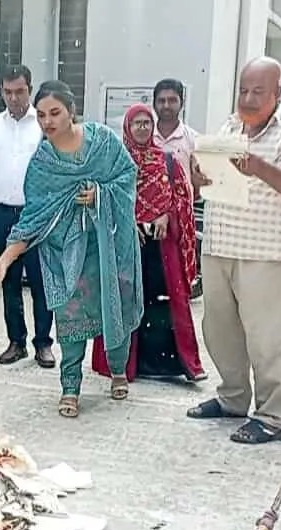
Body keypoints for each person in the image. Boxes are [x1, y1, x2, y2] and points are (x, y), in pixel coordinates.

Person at [0, 80, 142, 418]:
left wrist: (100, 194)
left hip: (107, 247)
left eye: (55, 113)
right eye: (41, 115)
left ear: (72, 111)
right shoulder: (44, 162)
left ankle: (117, 369)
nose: (47, 122)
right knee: (70, 316)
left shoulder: (103, 142)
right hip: (66, 255)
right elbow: (33, 217)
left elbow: (128, 177)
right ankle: (70, 386)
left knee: (113, 307)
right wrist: (5, 261)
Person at [185, 57, 281, 445]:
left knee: (265, 338)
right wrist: (199, 177)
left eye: (258, 91)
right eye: (243, 90)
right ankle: (232, 398)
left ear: (278, 92)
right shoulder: (230, 126)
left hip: (268, 251)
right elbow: (207, 183)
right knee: (220, 330)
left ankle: (271, 415)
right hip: (220, 244)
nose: (247, 98)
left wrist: (259, 167)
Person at [95, 103, 204, 381]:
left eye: (146, 123)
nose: (142, 128)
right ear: (127, 127)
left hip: (161, 244)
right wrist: (129, 223)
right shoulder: (115, 163)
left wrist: (167, 216)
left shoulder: (167, 161)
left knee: (163, 303)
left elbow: (183, 200)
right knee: (126, 302)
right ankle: (125, 364)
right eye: (137, 123)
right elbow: (106, 200)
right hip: (126, 245)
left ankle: (169, 364)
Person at [0, 64, 55, 367]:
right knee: (7, 280)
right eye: (7, 92)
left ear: (29, 89)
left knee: (41, 282)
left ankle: (43, 344)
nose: (14, 98)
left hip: (36, 214)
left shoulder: (43, 126)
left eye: (19, 91)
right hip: (1, 213)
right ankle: (16, 342)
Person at [153, 78, 207, 299]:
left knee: (178, 283)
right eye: (161, 100)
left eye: (172, 100)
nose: (166, 105)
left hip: (181, 221)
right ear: (154, 104)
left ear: (181, 103)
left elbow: (200, 185)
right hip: (148, 220)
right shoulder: (145, 137)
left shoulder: (194, 140)